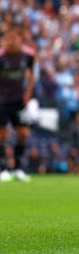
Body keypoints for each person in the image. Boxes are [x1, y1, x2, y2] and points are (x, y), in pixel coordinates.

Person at [0, 26, 35, 183]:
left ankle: (19, 168)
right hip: (2, 101)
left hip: (19, 101)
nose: (12, 41)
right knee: (1, 135)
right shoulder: (1, 56)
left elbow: (31, 74)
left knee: (22, 133)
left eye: (15, 38)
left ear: (21, 39)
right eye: (9, 38)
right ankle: (3, 168)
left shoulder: (28, 55)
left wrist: (28, 93)